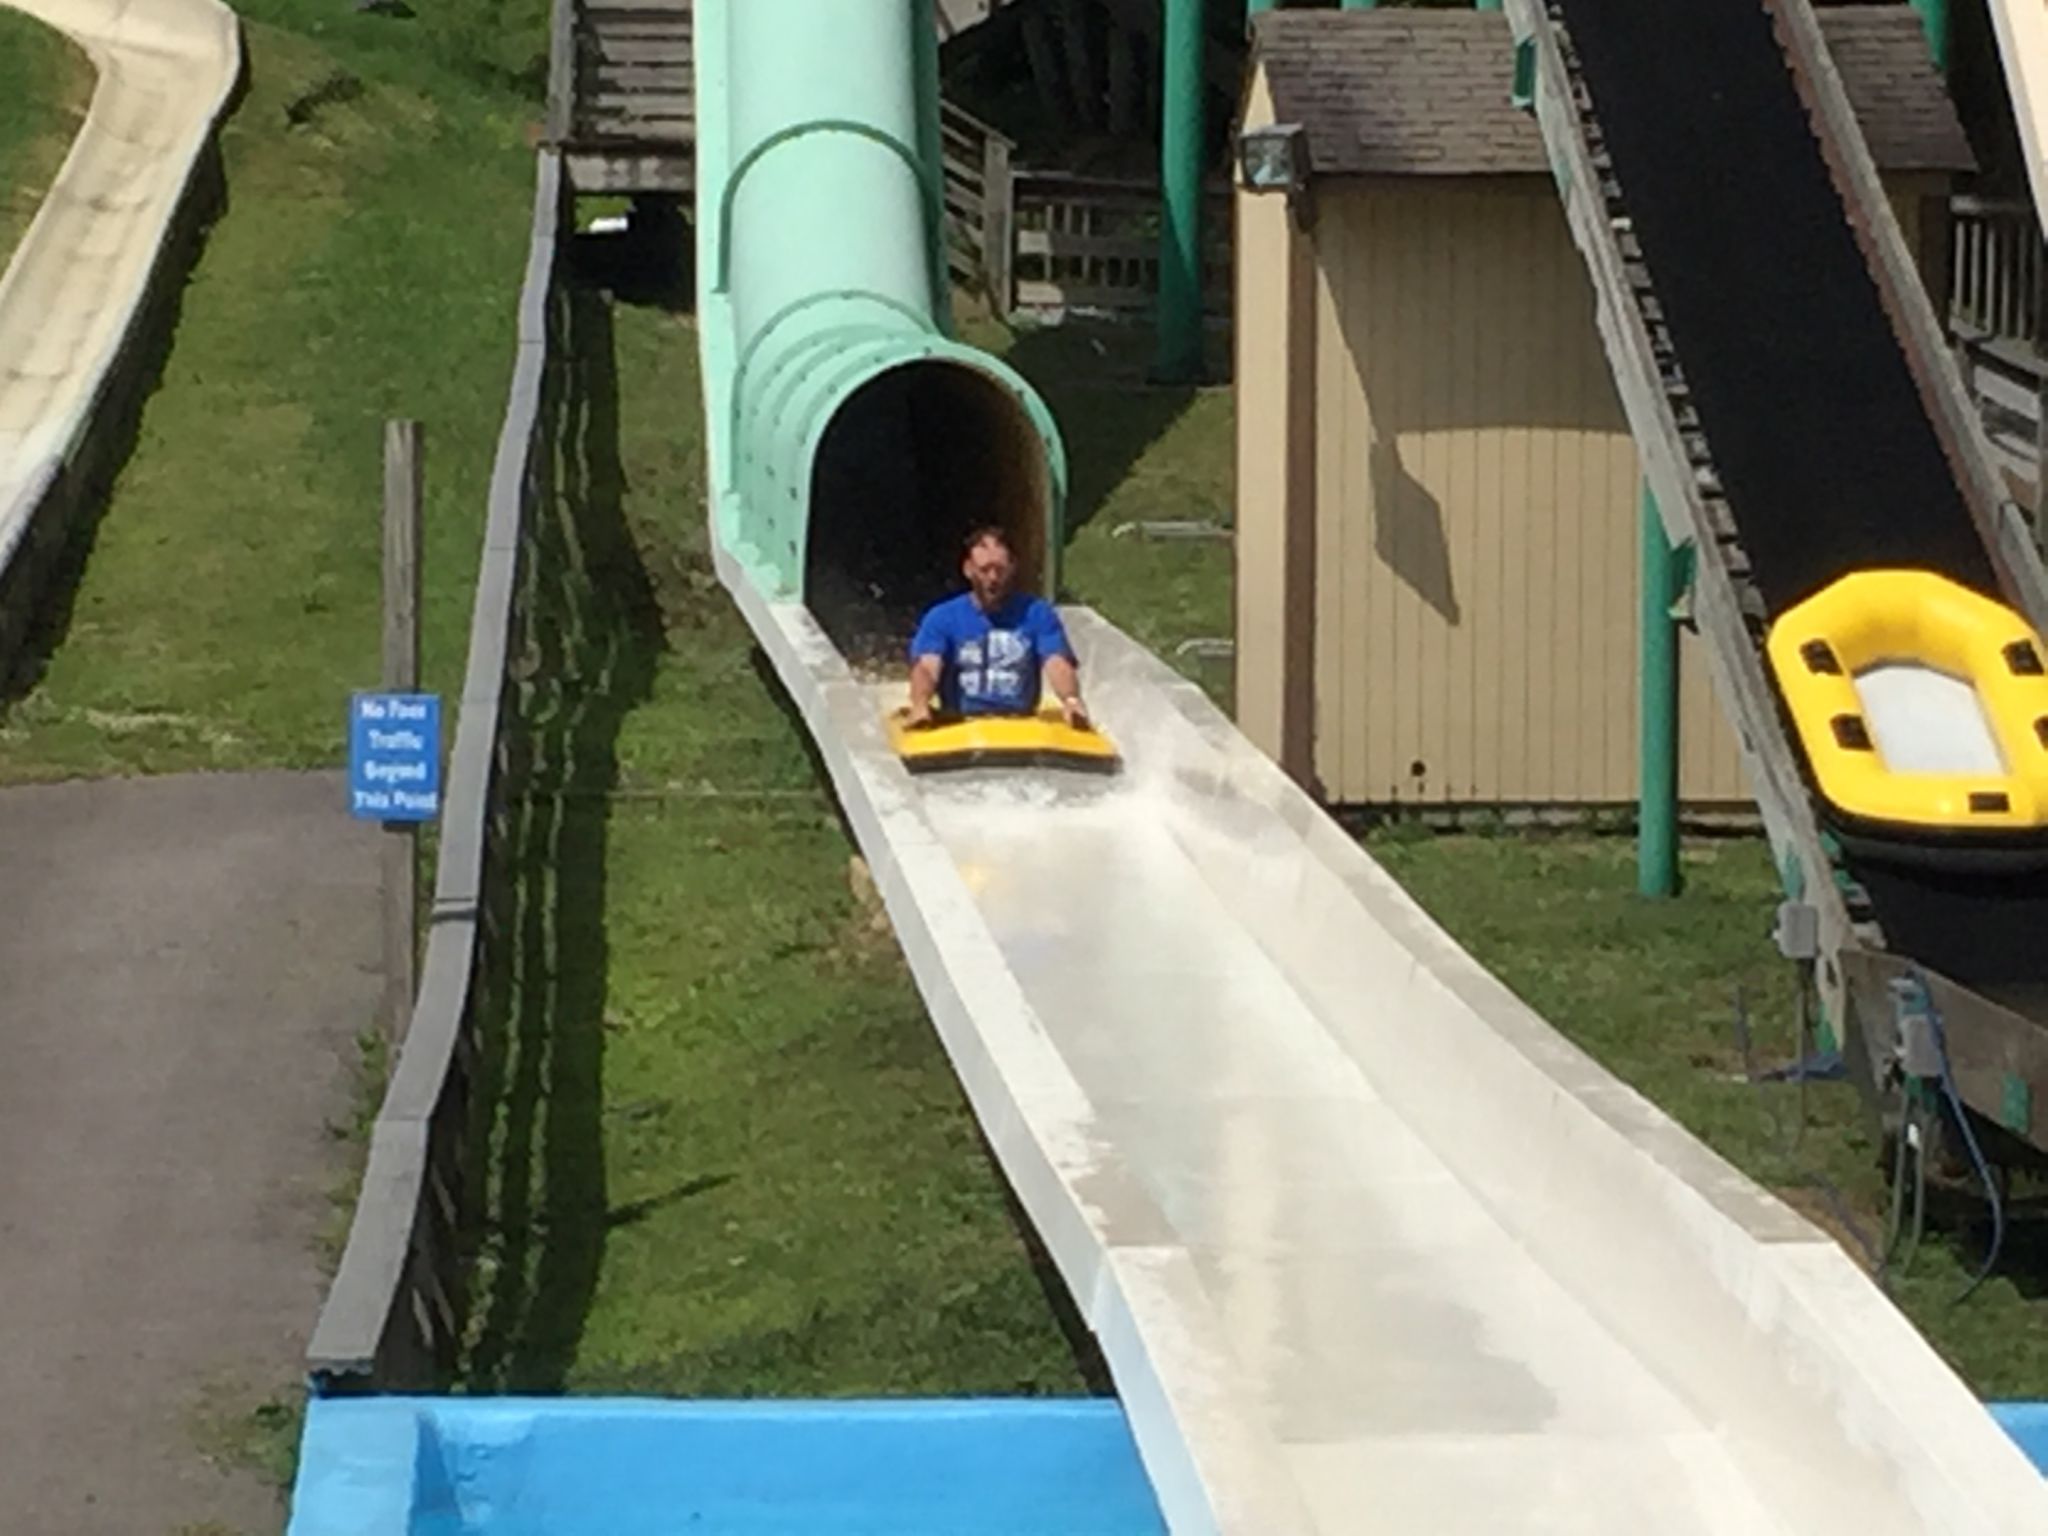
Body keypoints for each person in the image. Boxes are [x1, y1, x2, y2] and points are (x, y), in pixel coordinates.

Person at [905, 526, 1091, 730]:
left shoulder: (1037, 614)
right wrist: (920, 702)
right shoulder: (942, 617)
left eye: (1000, 570)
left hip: (1019, 724)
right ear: (968, 569)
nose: (993, 578)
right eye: (984, 570)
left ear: (1013, 567)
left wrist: (1071, 699)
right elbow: (927, 666)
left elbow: (1056, 661)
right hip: (960, 724)